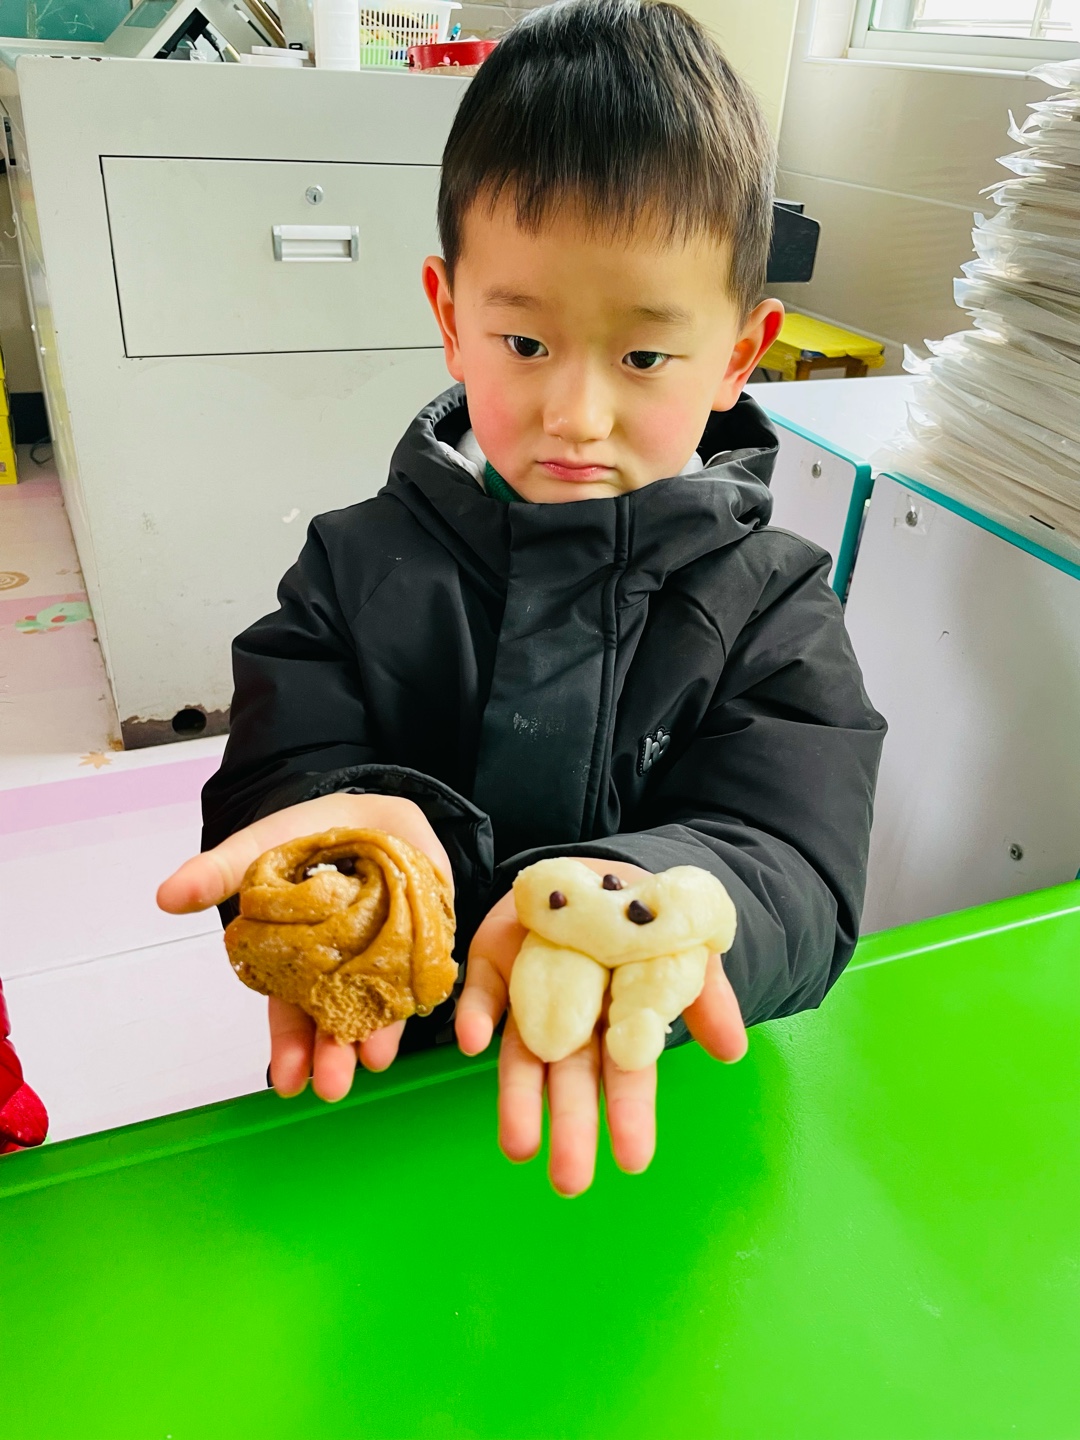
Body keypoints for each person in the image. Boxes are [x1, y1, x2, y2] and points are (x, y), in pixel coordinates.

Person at [158, 0, 885, 1197]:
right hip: (393, 1090)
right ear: (453, 320)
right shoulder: (352, 567)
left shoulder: (777, 606)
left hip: (654, 1083)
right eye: (526, 344)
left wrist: (644, 907)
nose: (576, 415)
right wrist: (356, 835)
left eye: (643, 356)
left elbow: (795, 864)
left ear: (738, 355)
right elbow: (274, 779)